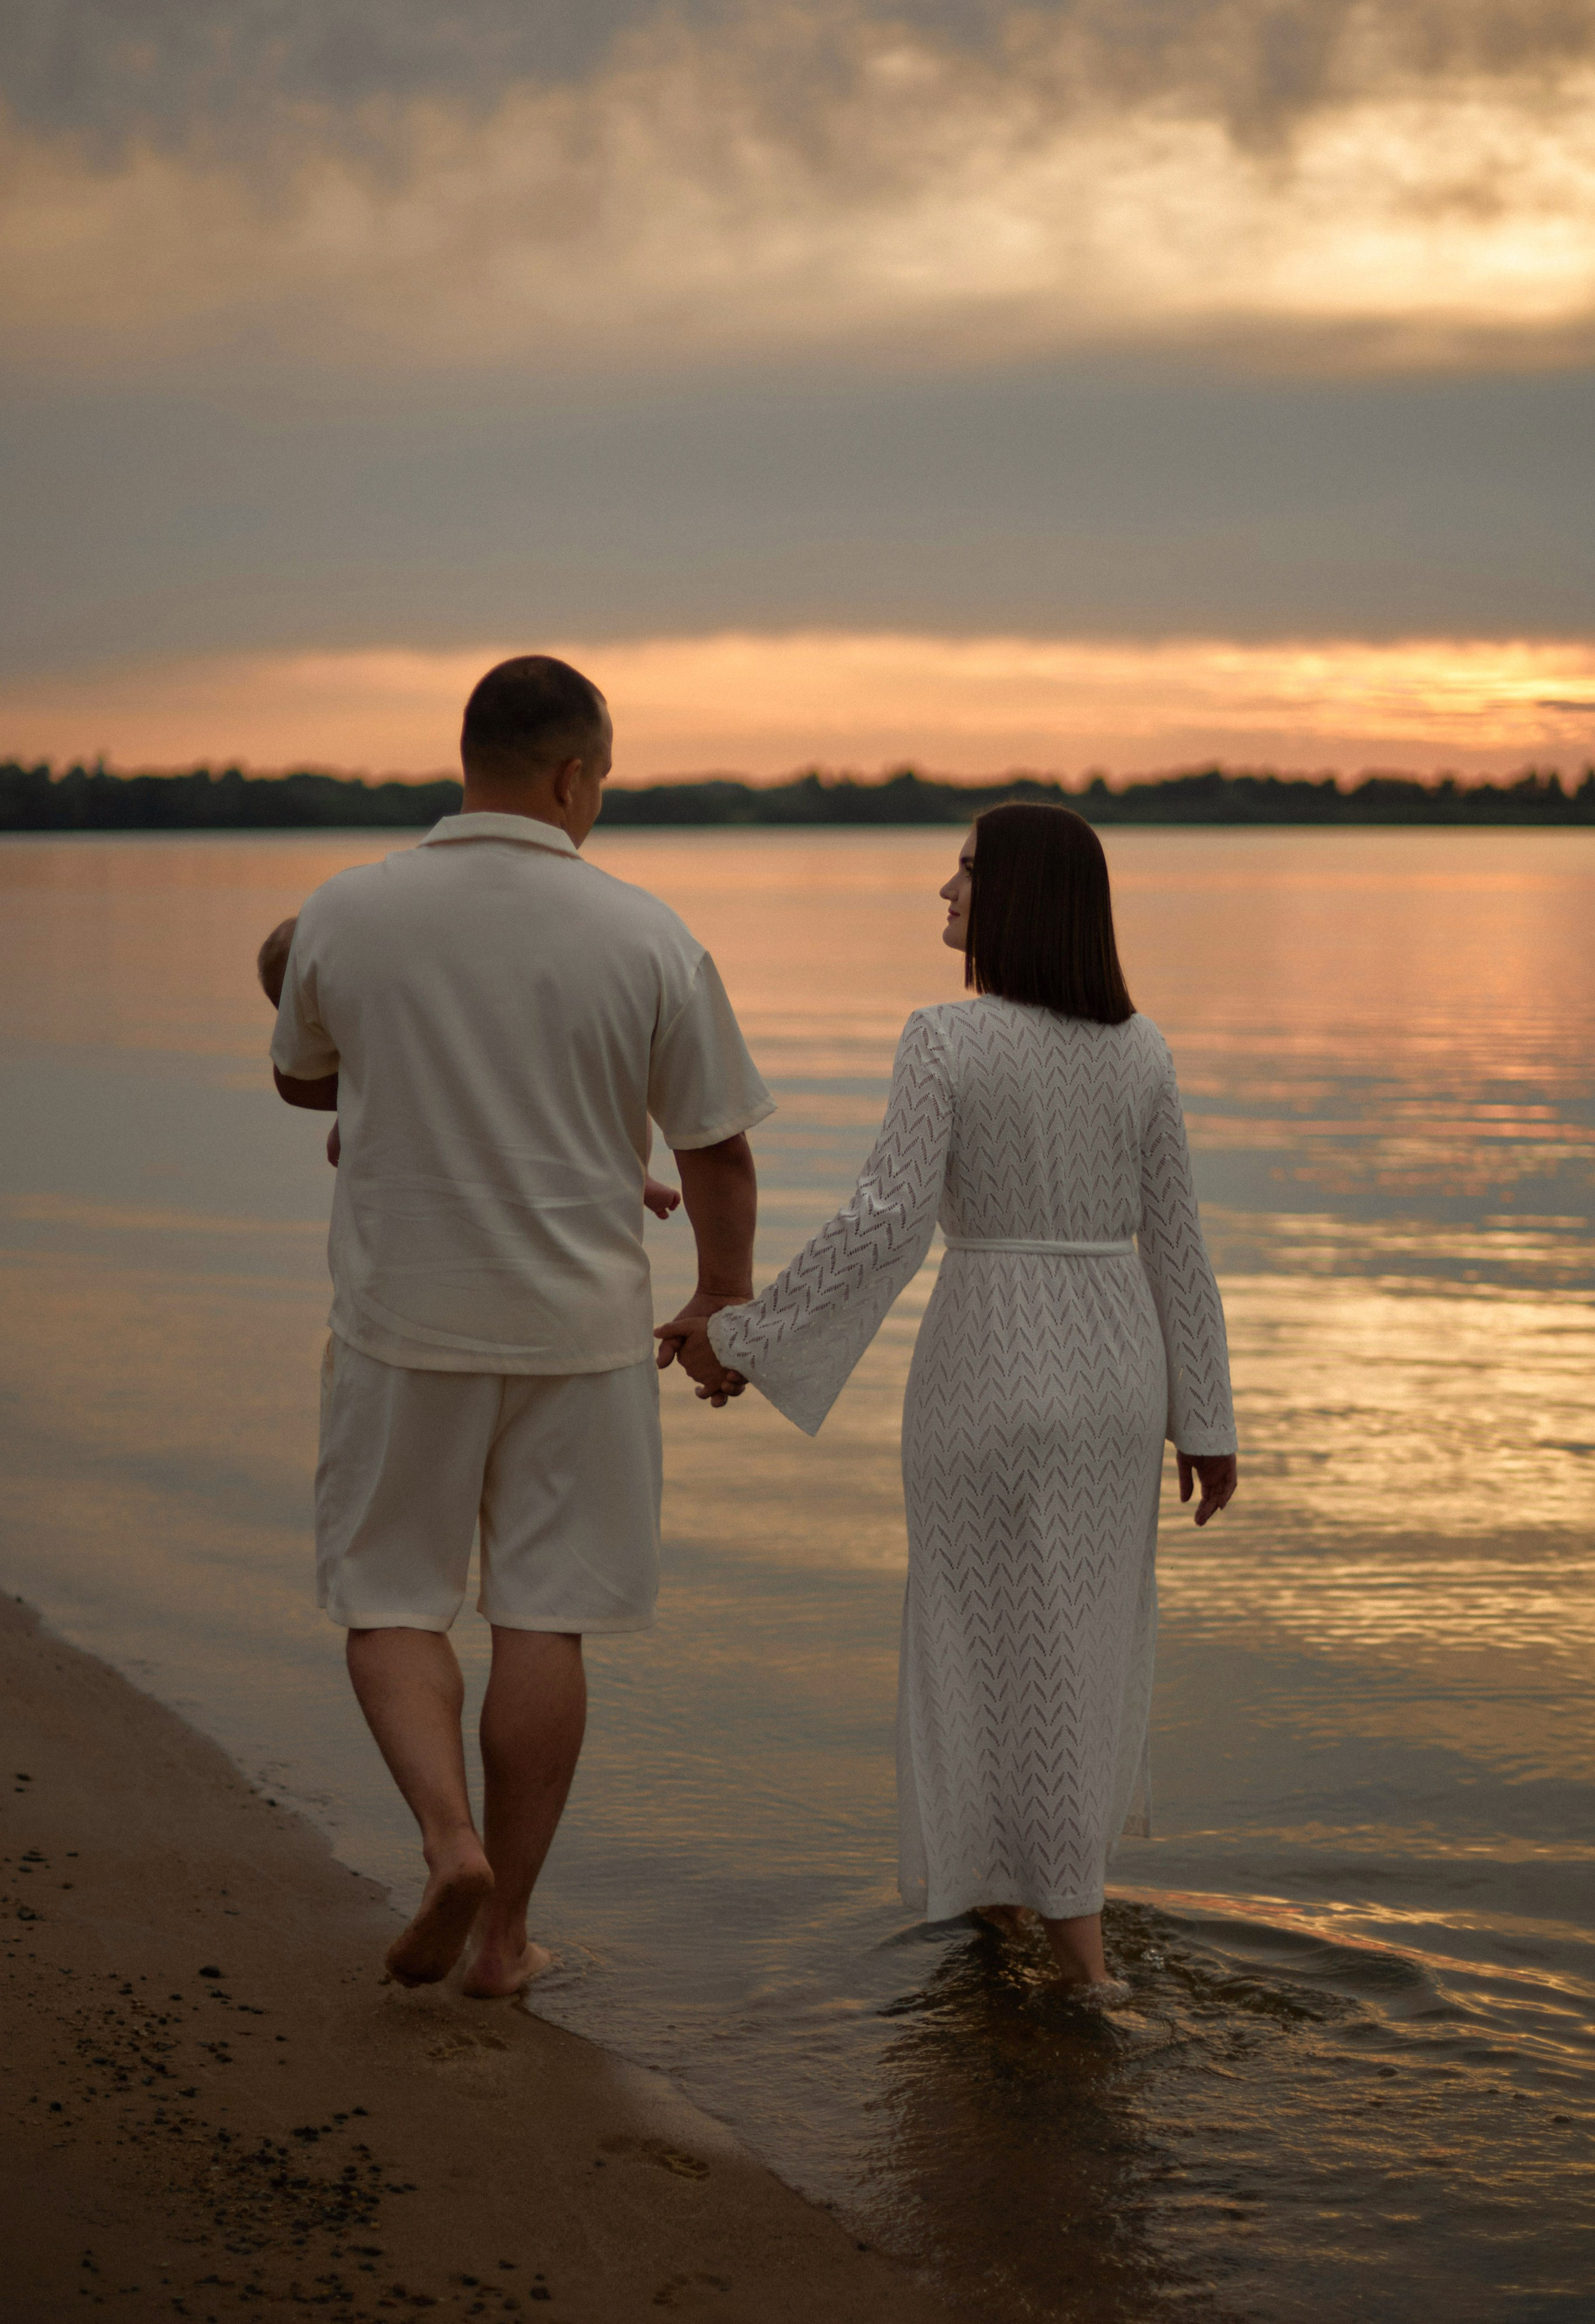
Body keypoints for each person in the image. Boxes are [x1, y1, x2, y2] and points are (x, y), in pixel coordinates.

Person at [658, 804, 1236, 2001]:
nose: (946, 892)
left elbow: (886, 1223)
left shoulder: (945, 1040)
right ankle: (1013, 1909)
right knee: (1076, 1647)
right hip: (1118, 1377)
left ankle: (1078, 1955)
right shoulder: (1146, 1052)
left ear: (1018, 895)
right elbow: (1180, 1248)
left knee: (982, 1648)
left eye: (965, 871)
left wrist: (744, 1336)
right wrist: (1209, 1423)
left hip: (990, 1368)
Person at [269, 655, 773, 1997]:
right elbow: (715, 1148)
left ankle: (447, 1842)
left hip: (401, 1321)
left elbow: (303, 1078)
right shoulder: (648, 934)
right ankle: (505, 1940)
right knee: (544, 1621)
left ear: (465, 761)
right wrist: (721, 1299)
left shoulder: (347, 909)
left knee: (389, 1600)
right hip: (582, 1337)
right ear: (572, 775)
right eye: (599, 780)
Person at [258, 919, 684, 1218]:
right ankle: (637, 1175)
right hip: (522, 1106)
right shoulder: (393, 994)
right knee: (609, 1096)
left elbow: (340, 1146)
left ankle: (637, 1175)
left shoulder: (368, 1061)